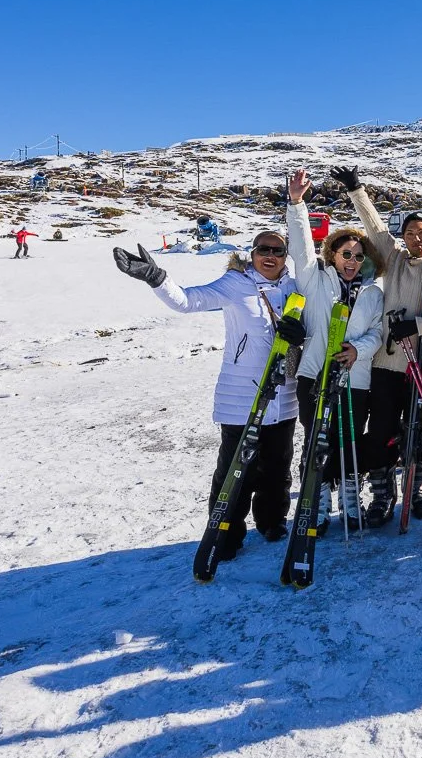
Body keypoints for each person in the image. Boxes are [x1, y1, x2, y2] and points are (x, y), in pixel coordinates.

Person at [112, 231, 299, 558]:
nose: (270, 256)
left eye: (278, 251)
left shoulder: (294, 288)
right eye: (263, 250)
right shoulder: (235, 284)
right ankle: (226, 531)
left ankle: (272, 521)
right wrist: (156, 278)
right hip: (242, 398)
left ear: (286, 255)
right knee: (235, 472)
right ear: (252, 253)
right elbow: (187, 301)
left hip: (285, 397)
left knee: (278, 468)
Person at [333, 166, 422, 526]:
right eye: (409, 232)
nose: (415, 238)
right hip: (388, 364)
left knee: (420, 428)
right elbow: (375, 227)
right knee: (382, 429)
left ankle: (416, 485)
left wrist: (418, 325)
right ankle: (382, 490)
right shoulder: (392, 260)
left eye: (421, 232)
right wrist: (356, 190)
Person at [284, 169, 385, 531]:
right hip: (314, 375)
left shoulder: (373, 294)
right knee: (317, 438)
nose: (352, 261)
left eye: (359, 256)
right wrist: (296, 203)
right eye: (346, 254)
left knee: (350, 440)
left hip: (355, 379)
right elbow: (300, 247)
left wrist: (358, 349)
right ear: (334, 253)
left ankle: (350, 495)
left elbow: (376, 333)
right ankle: (318, 495)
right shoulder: (315, 279)